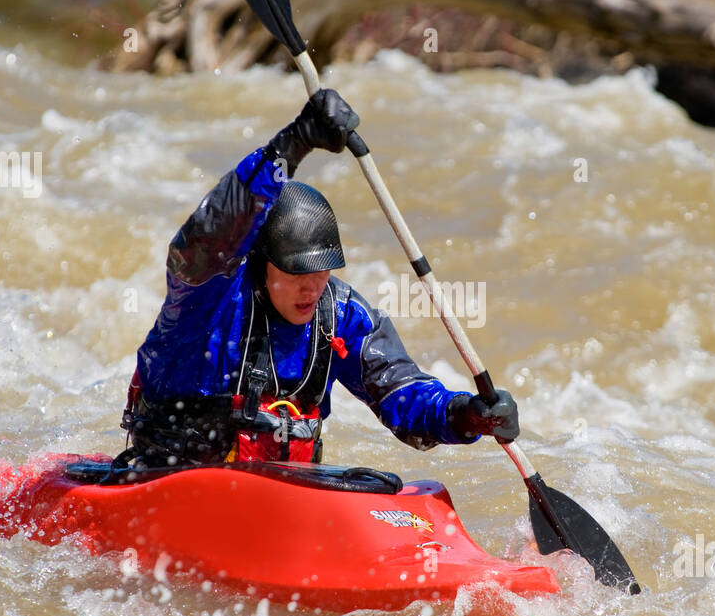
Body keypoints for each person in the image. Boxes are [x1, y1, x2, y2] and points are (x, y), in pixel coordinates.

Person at [114, 89, 518, 472]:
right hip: (171, 481)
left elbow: (400, 391)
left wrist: (465, 415)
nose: (311, 289)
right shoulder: (209, 298)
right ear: (262, 263)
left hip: (281, 500)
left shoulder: (338, 315)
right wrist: (293, 144)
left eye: (321, 273)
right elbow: (214, 227)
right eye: (296, 275)